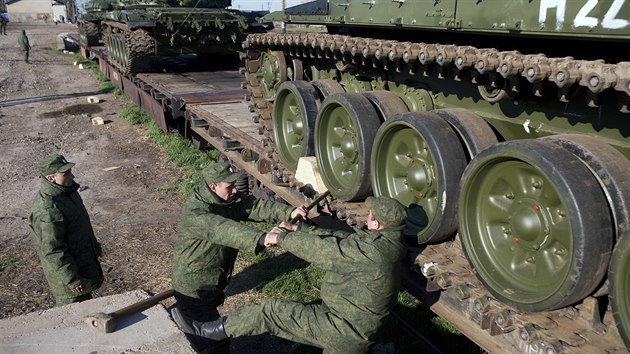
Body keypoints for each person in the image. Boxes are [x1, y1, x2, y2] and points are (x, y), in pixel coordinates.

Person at [172, 196, 408, 354]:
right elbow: (338, 239)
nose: (367, 216)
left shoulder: (371, 253)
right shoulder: (385, 243)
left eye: (370, 214)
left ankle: (205, 331)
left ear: (376, 223)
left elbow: (324, 250)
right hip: (343, 321)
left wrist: (281, 238)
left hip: (341, 329)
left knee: (270, 311)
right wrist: (299, 228)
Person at [170, 162, 308, 352]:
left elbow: (255, 206)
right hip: (194, 285)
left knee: (204, 331)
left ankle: (184, 324)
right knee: (213, 343)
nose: (235, 191)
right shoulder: (197, 213)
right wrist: (262, 238)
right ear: (213, 187)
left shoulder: (226, 198)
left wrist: (288, 212)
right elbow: (225, 230)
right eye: (230, 187)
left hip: (211, 278)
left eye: (234, 185)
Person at [29, 154, 104, 306]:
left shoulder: (67, 192)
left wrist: (93, 248)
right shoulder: (48, 210)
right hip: (67, 281)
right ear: (51, 178)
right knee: (73, 315)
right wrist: (72, 280)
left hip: (80, 265)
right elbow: (53, 250)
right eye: (66, 173)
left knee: (86, 306)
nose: (72, 175)